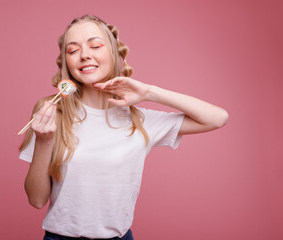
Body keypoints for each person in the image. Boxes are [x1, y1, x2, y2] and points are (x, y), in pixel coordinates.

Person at [18, 15, 229, 240]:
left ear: (113, 52)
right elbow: (36, 200)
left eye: (95, 45)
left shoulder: (139, 120)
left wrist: (150, 92)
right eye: (72, 51)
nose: (85, 55)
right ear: (67, 63)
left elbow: (217, 118)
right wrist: (44, 140)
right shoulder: (52, 111)